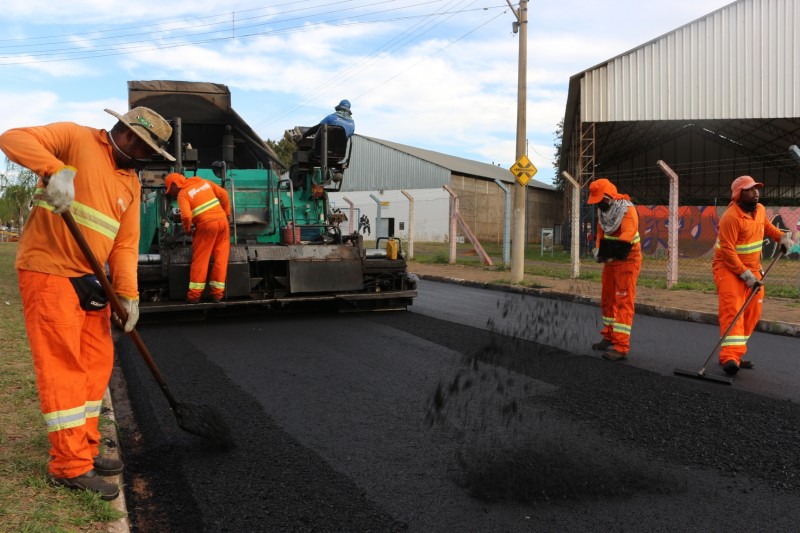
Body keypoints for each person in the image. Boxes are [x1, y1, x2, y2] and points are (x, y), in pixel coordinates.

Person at [0, 106, 175, 500]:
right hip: (49, 271)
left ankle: (86, 445)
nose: (147, 161)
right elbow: (11, 138)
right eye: (147, 151)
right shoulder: (75, 138)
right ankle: (69, 465)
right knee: (64, 365)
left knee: (96, 364)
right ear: (131, 137)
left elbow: (126, 245)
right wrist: (53, 170)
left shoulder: (130, 183)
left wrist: (128, 295)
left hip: (92, 281)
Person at [713, 176, 793, 375]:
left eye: (756, 188)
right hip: (728, 269)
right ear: (739, 194)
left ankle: (736, 352)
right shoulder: (731, 218)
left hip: (753, 268)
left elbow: (766, 226)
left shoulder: (760, 210)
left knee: (752, 312)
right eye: (750, 189)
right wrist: (745, 275)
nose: (756, 192)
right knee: (733, 311)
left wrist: (781, 237)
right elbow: (728, 252)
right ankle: (729, 357)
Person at [587, 178, 642, 361]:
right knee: (608, 298)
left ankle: (621, 346)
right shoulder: (604, 212)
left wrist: (609, 253)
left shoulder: (627, 210)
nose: (599, 205)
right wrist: (598, 250)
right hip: (611, 258)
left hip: (627, 258)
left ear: (609, 197)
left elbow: (626, 236)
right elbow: (601, 232)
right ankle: (609, 336)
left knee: (623, 301)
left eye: (600, 200)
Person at [164, 172, 231, 303]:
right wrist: (227, 214)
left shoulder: (183, 194)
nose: (171, 193)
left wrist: (188, 230)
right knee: (221, 259)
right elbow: (224, 195)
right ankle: (217, 295)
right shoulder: (204, 182)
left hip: (206, 226)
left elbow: (186, 216)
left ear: (174, 185)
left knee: (201, 260)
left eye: (170, 190)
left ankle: (194, 296)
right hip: (223, 223)